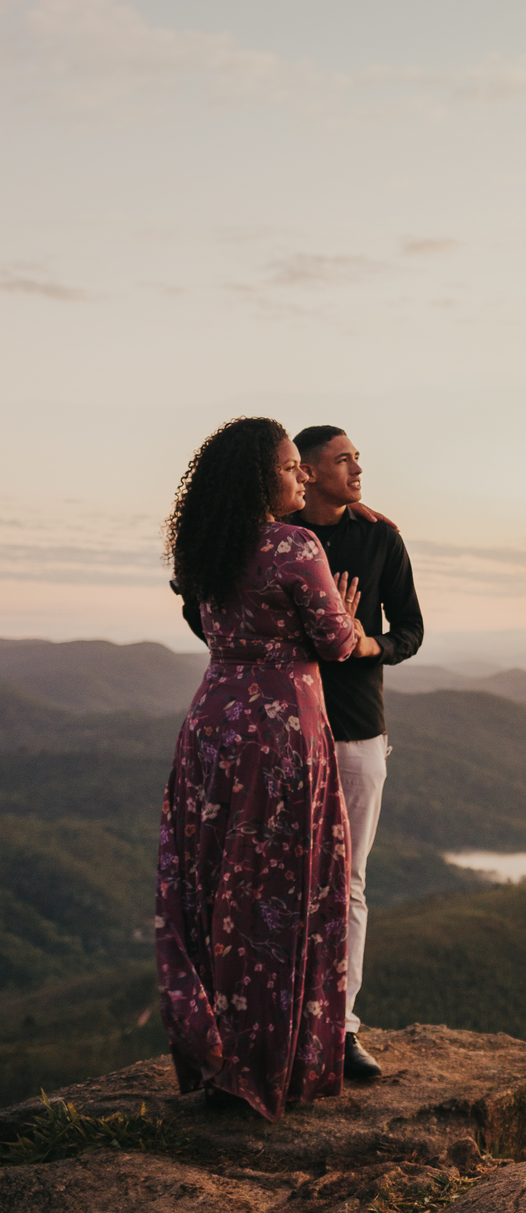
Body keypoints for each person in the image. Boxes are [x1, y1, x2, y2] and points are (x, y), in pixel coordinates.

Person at [157, 417, 360, 1120]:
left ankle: (216, 1058)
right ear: (257, 479)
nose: (301, 474)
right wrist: (353, 622)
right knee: (277, 897)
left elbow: (210, 625)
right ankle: (271, 1066)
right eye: (287, 467)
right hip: (280, 733)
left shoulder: (205, 544)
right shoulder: (295, 545)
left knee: (215, 889)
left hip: (212, 728)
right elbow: (334, 643)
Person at [287, 425, 423, 1083]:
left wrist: (364, 643)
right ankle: (283, 1023)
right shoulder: (276, 537)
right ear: (307, 471)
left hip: (357, 732)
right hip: (286, 730)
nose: (358, 468)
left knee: (349, 883)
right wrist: (323, 628)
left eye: (357, 459)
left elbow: (411, 631)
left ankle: (340, 1029)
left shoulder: (379, 538)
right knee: (284, 878)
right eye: (344, 460)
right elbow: (212, 613)